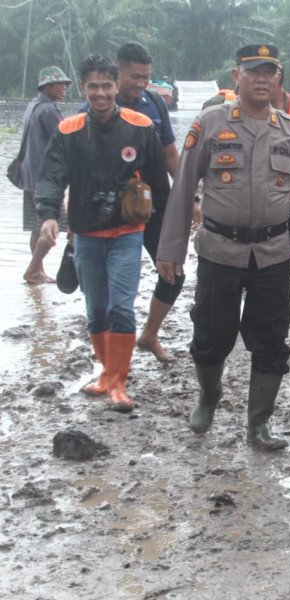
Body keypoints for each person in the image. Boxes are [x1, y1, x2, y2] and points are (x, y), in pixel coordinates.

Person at [156, 44, 290, 451]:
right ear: (237, 76)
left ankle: (258, 425)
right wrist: (171, 250)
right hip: (219, 250)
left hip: (272, 252)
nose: (262, 79)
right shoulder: (210, 123)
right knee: (211, 334)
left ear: (278, 80)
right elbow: (183, 189)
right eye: (254, 72)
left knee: (271, 338)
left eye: (270, 72)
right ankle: (208, 395)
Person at [35, 54, 170, 412]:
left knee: (120, 308)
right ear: (83, 88)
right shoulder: (69, 130)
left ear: (116, 86)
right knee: (95, 311)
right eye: (92, 86)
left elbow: (159, 180)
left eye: (106, 86)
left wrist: (168, 235)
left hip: (129, 232)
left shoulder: (141, 126)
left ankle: (119, 384)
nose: (100, 93)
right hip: (86, 233)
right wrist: (49, 216)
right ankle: (107, 373)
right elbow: (50, 178)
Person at [107, 42, 190, 363]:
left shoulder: (155, 103)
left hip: (157, 206)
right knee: (118, 283)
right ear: (118, 73)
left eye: (146, 77)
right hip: (114, 212)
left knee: (174, 273)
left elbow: (171, 153)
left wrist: (190, 197)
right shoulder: (99, 106)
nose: (142, 83)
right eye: (135, 77)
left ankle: (149, 335)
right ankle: (115, 351)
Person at [18, 66, 71, 284]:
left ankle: (37, 270)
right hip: (45, 180)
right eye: (61, 84)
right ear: (48, 86)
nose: (64, 88)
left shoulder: (34, 105)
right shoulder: (48, 110)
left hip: (29, 176)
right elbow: (63, 141)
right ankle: (33, 269)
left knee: (36, 226)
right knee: (52, 226)